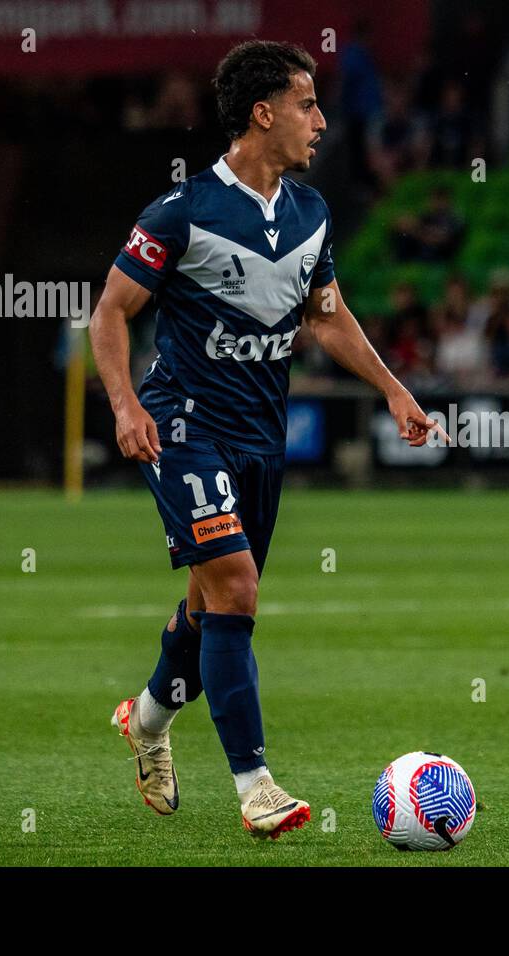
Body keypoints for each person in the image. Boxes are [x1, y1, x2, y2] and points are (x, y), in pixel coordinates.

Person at [88, 41, 444, 839]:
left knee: (208, 603)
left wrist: (392, 388)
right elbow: (110, 311)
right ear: (263, 112)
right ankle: (256, 787)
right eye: (308, 104)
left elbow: (325, 316)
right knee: (238, 592)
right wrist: (124, 406)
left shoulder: (311, 214)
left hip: (260, 439)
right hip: (182, 425)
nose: (320, 121)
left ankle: (145, 721)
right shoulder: (181, 213)